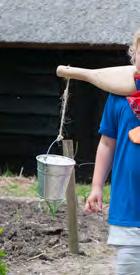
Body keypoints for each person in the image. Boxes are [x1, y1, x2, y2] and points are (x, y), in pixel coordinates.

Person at [84, 29, 140, 275]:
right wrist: (97, 186)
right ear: (134, 55)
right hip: (128, 210)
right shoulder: (118, 96)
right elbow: (107, 144)